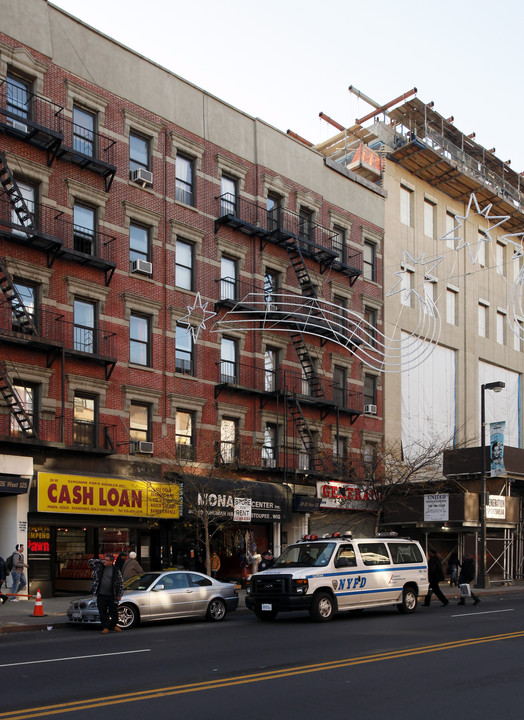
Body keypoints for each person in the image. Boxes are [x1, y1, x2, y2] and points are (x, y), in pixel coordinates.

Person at [89, 554, 124, 633]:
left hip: (112, 595)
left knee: (113, 611)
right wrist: (101, 561)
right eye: (105, 559)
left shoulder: (115, 570)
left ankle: (113, 625)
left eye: (107, 560)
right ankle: (106, 627)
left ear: (111, 561)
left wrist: (119, 594)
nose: (105, 561)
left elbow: (120, 583)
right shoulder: (99, 567)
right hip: (101, 594)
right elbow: (90, 561)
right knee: (102, 611)